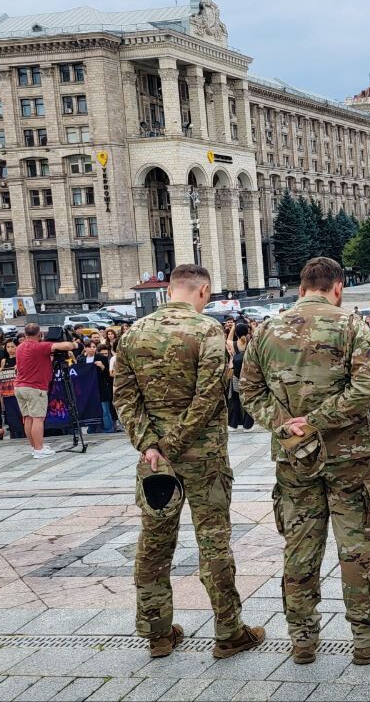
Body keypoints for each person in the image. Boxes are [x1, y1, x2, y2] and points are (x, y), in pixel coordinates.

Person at [239, 257, 370, 667]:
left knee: (300, 549)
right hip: (349, 459)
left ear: (302, 287)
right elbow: (367, 389)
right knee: (356, 549)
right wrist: (317, 421)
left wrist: (287, 424)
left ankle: (302, 640)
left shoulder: (266, 330)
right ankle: (367, 638)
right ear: (338, 288)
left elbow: (249, 391)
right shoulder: (351, 327)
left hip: (294, 458)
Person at [113, 264, 264, 660]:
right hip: (204, 457)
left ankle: (157, 633)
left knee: (154, 543)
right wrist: (175, 442)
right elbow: (210, 395)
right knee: (213, 542)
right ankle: (229, 631)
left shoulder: (133, 333)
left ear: (168, 290)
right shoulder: (207, 331)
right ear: (204, 291)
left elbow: (124, 397)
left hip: (154, 462)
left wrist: (151, 445)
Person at [15, 323, 77, 459]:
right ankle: (39, 449)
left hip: (20, 386)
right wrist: (75, 343)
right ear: (40, 334)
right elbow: (67, 346)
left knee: (28, 418)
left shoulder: (20, 347)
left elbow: (39, 360)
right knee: (38, 418)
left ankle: (35, 446)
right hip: (34, 387)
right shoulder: (40, 346)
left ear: (25, 334)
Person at [81, 341, 114, 434]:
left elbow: (108, 374)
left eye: (94, 347)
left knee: (104, 410)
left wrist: (102, 366)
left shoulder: (102, 358)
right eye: (90, 347)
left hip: (100, 387)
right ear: (85, 348)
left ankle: (108, 428)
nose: (92, 349)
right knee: (91, 410)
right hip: (88, 389)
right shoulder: (81, 359)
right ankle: (92, 428)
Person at [226, 323, 255, 431]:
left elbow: (228, 340)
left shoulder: (233, 344)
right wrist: (252, 327)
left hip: (236, 375)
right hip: (249, 375)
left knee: (236, 399)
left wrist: (233, 327)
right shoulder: (251, 343)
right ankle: (248, 425)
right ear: (247, 332)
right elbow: (258, 336)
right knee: (250, 398)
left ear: (236, 333)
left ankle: (233, 424)